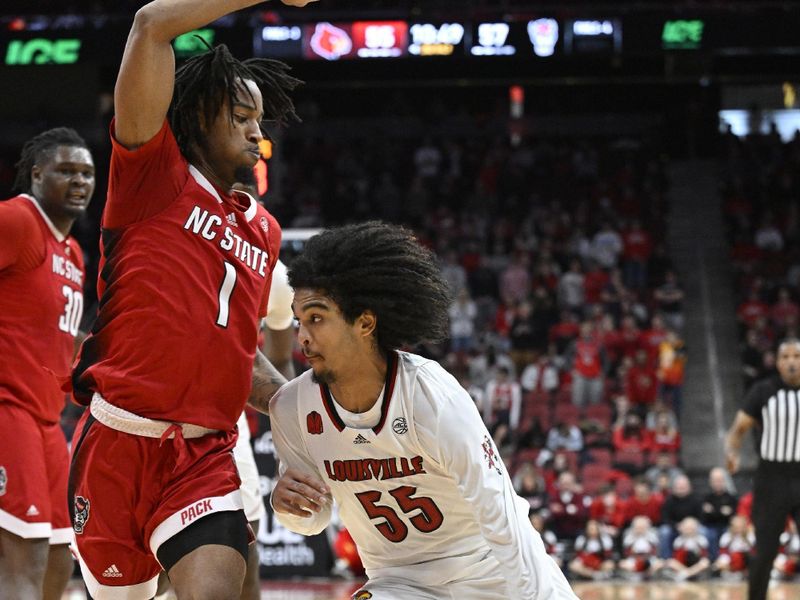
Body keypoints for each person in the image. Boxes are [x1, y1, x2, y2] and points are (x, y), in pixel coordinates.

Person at [67, 1, 315, 598]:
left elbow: (234, 350)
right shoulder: (152, 175)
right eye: (240, 116)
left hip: (203, 455)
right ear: (198, 117)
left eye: (260, 121)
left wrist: (294, 410)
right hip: (116, 445)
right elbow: (152, 23)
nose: (258, 133)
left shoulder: (265, 230)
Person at [269, 222, 578, 599]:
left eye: (316, 318)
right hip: (400, 582)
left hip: (489, 571)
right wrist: (290, 509)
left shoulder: (431, 396)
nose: (302, 335)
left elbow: (502, 514)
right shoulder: (290, 408)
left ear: (365, 322)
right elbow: (313, 522)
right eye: (299, 321)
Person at [0, 127, 95, 599]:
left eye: (86, 173)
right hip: (7, 410)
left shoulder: (74, 252)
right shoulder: (16, 219)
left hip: (46, 421)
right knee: (26, 553)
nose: (79, 181)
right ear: (36, 175)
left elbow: (54, 334)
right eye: (65, 170)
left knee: (62, 553)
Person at [725, 338, 800, 600]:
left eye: (797, 356)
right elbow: (739, 427)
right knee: (765, 549)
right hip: (772, 477)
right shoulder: (763, 390)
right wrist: (732, 451)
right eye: (786, 357)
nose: (792, 362)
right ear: (778, 362)